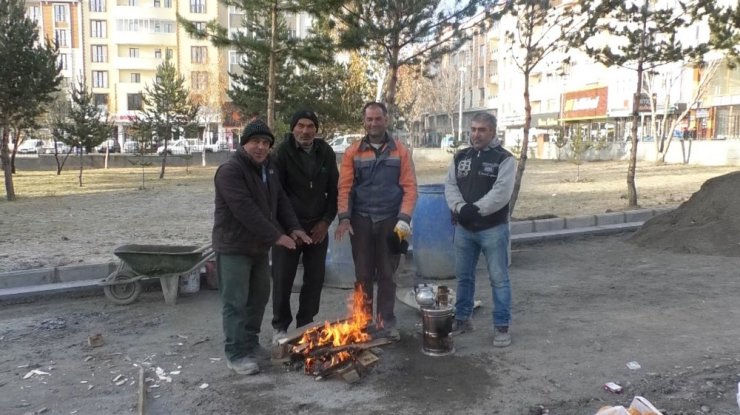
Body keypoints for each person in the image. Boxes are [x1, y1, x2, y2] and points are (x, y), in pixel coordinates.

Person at [212, 120, 311, 375]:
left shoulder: (268, 169)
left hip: (258, 247)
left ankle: (250, 344)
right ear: (244, 143)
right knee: (235, 302)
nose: (260, 147)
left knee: (258, 297)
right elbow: (247, 211)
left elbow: (281, 203)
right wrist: (277, 237)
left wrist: (294, 228)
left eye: (265, 143)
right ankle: (235, 354)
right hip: (234, 246)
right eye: (255, 141)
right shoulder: (230, 171)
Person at [334, 102, 417, 340]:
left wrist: (404, 219)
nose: (373, 123)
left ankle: (386, 323)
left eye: (377, 119)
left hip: (392, 222)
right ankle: (363, 322)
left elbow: (410, 188)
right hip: (361, 221)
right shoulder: (353, 152)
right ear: (364, 122)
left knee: (388, 275)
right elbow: (345, 187)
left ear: (386, 120)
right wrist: (344, 218)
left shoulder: (400, 151)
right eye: (369, 119)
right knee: (363, 275)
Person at [444, 112, 516, 348]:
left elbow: (502, 192)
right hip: (464, 230)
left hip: (493, 229)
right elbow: (450, 185)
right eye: (473, 129)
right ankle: (463, 319)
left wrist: (476, 210)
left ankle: (502, 327)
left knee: (499, 279)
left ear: (493, 132)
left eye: (481, 130)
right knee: (464, 277)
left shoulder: (504, 159)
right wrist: (459, 207)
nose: (476, 134)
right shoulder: (460, 156)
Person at [271, 110, 339, 343]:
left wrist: (326, 222)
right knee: (283, 278)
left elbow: (334, 189)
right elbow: (276, 195)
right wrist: (290, 228)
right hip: (288, 229)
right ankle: (280, 327)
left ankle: (306, 324)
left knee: (315, 278)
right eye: (300, 125)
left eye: (310, 126)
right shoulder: (281, 153)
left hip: (317, 228)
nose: (305, 131)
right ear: (293, 128)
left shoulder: (325, 152)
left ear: (316, 129)